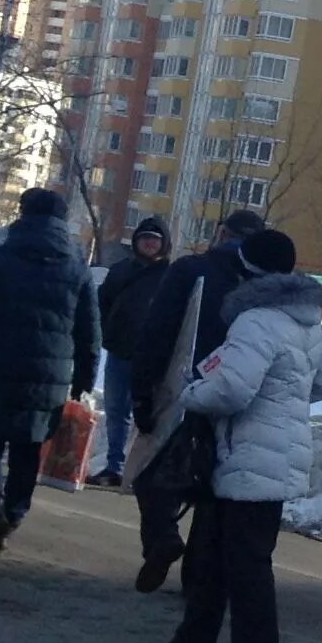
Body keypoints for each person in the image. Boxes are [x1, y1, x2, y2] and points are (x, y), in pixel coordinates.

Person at [135, 229, 322, 643]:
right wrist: (287, 399)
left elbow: (231, 390)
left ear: (246, 268)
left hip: (248, 454)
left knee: (246, 566)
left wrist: (188, 394)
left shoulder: (255, 321)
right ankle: (192, 642)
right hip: (263, 454)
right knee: (209, 554)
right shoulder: (304, 320)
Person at [0, 188, 98, 566]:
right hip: (49, 375)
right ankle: (15, 514)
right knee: (27, 447)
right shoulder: (76, 266)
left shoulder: (0, 258)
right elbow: (89, 330)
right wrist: (85, 377)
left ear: (23, 214)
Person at [125, 208, 263, 591]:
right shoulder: (265, 286)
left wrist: (142, 391)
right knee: (212, 490)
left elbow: (158, 330)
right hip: (241, 401)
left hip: (184, 391)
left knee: (153, 475)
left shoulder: (190, 271)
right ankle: (199, 576)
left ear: (221, 233)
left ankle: (163, 536)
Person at [92, 215, 170, 487]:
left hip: (155, 360)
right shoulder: (121, 271)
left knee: (150, 416)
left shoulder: (170, 275)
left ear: (164, 244)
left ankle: (144, 470)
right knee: (116, 410)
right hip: (120, 352)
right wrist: (107, 332)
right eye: (145, 238)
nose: (149, 243)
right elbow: (101, 304)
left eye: (155, 239)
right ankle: (115, 466)